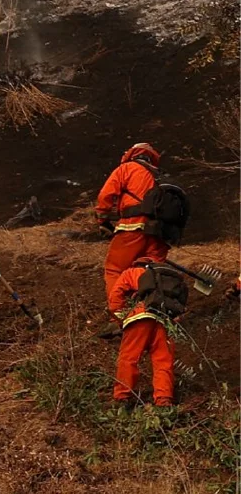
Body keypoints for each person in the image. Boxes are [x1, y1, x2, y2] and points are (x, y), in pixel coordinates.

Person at [108, 259, 188, 410]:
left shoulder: (133, 272)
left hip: (140, 317)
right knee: (163, 362)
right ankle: (163, 400)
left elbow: (116, 294)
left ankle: (122, 397)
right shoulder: (171, 279)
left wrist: (118, 318)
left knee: (129, 358)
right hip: (165, 321)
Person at [96, 143, 169, 304]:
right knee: (149, 272)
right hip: (160, 234)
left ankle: (120, 312)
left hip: (133, 227)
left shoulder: (127, 168)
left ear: (131, 155)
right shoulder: (160, 176)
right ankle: (153, 309)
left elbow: (105, 196)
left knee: (115, 269)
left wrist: (103, 221)